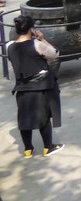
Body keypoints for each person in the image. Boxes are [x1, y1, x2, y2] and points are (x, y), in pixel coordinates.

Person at [8, 15, 63, 158]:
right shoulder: (36, 45)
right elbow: (55, 54)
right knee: (43, 117)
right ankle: (47, 147)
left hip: (22, 88)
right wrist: (42, 38)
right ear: (31, 29)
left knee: (24, 118)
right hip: (41, 87)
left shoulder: (9, 46)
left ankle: (28, 149)